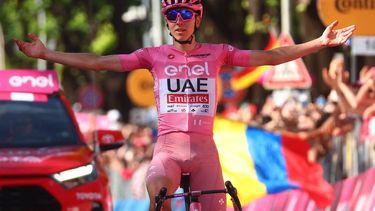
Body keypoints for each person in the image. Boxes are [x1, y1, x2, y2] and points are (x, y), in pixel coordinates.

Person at [14, 0, 355, 210]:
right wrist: (47, 54)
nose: (178, 20)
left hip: (206, 150)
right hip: (169, 150)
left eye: (185, 13)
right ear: (166, 20)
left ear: (197, 17)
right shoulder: (153, 56)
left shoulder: (218, 53)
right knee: (158, 192)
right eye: (172, 14)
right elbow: (100, 62)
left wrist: (319, 42)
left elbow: (270, 56)